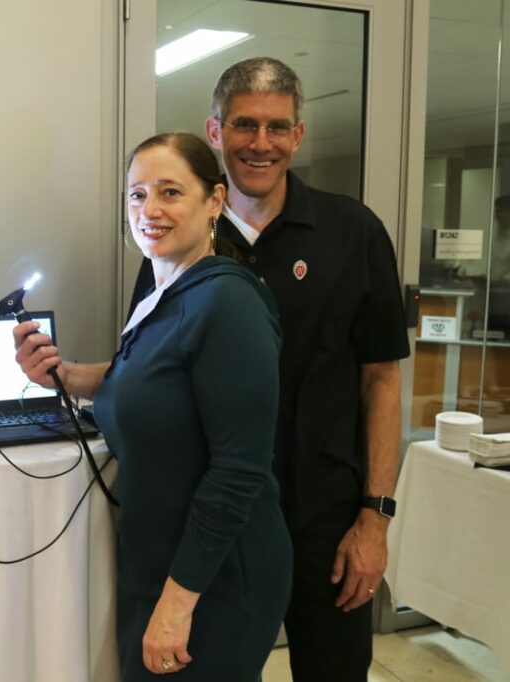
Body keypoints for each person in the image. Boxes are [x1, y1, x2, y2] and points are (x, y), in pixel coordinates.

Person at [130, 58, 409, 681]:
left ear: (299, 135)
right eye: (245, 125)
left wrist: (375, 518)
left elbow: (382, 380)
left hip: (325, 520)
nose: (262, 143)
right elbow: (145, 366)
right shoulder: (175, 235)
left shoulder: (353, 232)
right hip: (215, 523)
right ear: (215, 130)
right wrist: (65, 375)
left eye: (278, 127)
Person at [15, 132, 292, 680]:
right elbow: (150, 388)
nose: (150, 210)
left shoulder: (227, 302)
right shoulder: (163, 293)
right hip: (160, 560)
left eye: (170, 192)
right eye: (137, 195)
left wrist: (177, 604)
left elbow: (238, 472)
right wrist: (65, 376)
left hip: (214, 575)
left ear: (214, 202)